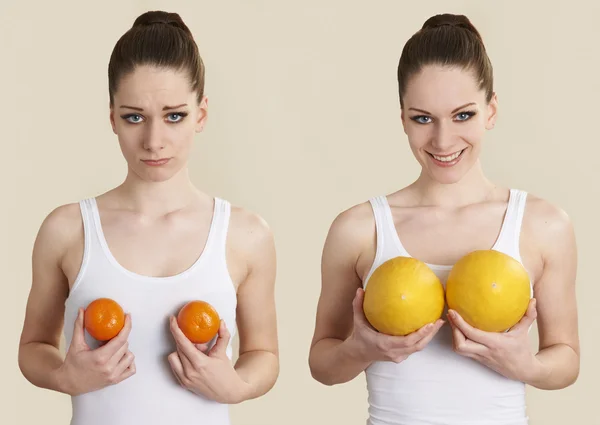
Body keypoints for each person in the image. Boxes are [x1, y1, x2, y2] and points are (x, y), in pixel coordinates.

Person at [308, 13, 580, 425]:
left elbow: (567, 358)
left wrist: (525, 365)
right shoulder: (359, 229)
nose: (443, 140)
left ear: (491, 110)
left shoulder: (542, 225)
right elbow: (322, 363)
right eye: (423, 118)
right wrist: (362, 349)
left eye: (463, 115)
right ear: (402, 118)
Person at [18, 10, 279, 425]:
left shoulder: (246, 235)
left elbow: (263, 354)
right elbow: (33, 346)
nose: (154, 141)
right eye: (134, 117)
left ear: (201, 115)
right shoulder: (67, 230)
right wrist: (64, 375)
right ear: (112, 119)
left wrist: (238, 387)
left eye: (174, 115)